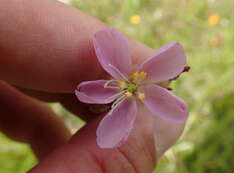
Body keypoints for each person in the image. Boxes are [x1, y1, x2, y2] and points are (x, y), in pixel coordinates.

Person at [0, 0, 187, 172]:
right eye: (131, 86)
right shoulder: (124, 84)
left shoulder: (143, 81)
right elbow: (88, 89)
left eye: (132, 87)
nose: (131, 87)